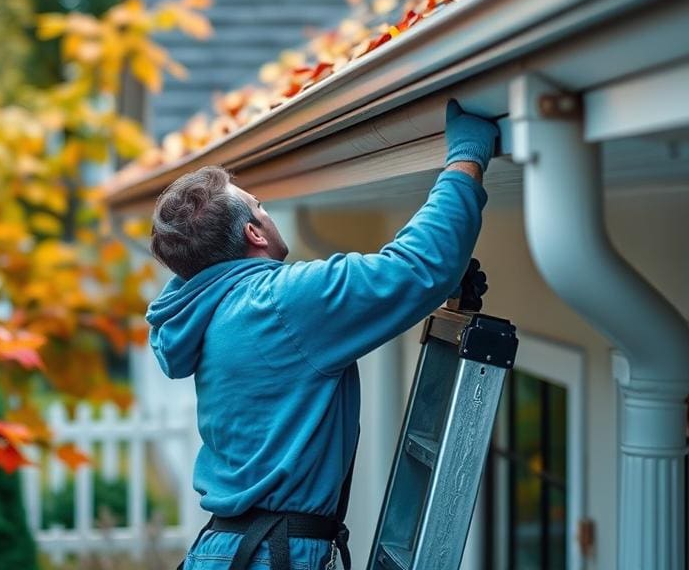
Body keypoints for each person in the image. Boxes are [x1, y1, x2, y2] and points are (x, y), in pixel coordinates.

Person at [146, 100, 498, 570]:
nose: (267, 212)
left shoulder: (215, 310)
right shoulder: (276, 302)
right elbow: (419, 266)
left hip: (233, 550)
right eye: (259, 206)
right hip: (269, 556)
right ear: (254, 232)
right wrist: (468, 152)